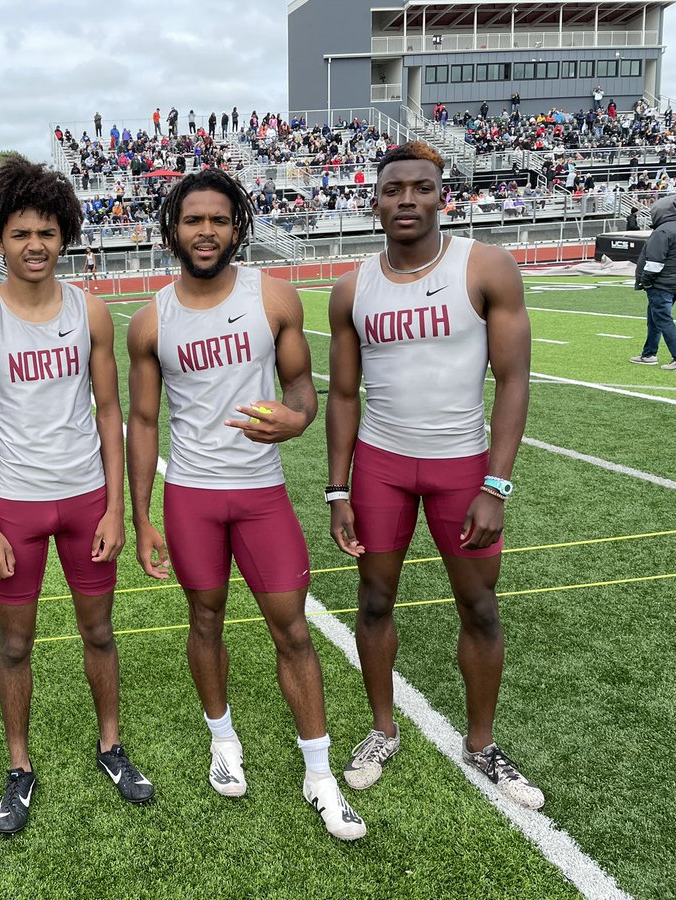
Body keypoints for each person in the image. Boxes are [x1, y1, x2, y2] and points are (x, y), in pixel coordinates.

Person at [126, 168, 366, 841]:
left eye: (219, 220)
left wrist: (296, 420)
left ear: (239, 228)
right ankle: (222, 738)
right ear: (173, 228)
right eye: (193, 220)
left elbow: (301, 391)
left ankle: (319, 776)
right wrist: (141, 515)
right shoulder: (151, 321)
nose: (206, 232)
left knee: (292, 630)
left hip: (260, 495)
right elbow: (143, 423)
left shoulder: (275, 298)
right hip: (192, 497)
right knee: (205, 619)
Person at [324, 141, 542, 809]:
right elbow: (341, 395)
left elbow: (513, 379)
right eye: (394, 190)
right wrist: (338, 490)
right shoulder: (351, 287)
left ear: (442, 195)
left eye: (421, 187)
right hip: (381, 467)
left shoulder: (485, 267)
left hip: (461, 465)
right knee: (373, 601)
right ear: (375, 201)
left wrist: (495, 485)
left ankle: (482, 743)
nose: (408, 199)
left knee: (478, 606)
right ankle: (382, 729)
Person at [0, 156, 153, 836]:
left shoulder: (89, 310)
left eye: (45, 231)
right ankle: (18, 765)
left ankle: (110, 746)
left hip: (86, 500)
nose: (34, 245)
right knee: (15, 644)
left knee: (99, 630)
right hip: (17, 507)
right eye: (18, 233)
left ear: (63, 234)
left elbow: (109, 412)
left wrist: (117, 508)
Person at [630, 194, 676, 370]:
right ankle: (649, 354)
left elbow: (655, 261)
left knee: (662, 319)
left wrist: (646, 281)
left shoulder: (663, 231)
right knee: (655, 318)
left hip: (662, 283)